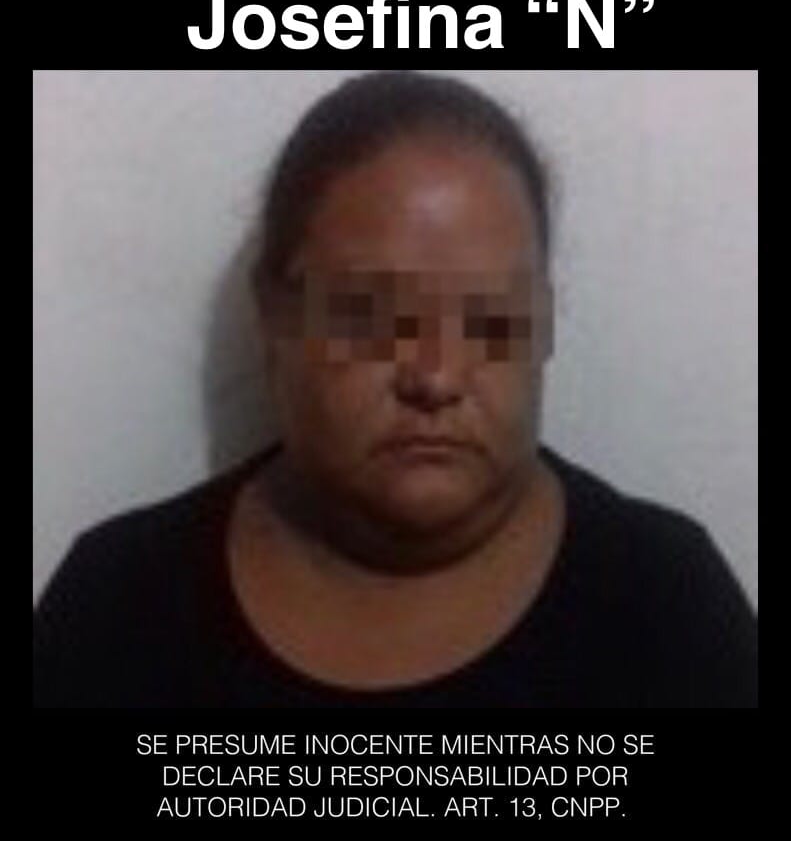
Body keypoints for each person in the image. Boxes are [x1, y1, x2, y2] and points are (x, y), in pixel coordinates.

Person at [34, 71, 757, 708]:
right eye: (369, 316)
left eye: (489, 318)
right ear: (275, 318)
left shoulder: (668, 609)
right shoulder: (115, 609)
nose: (435, 377)